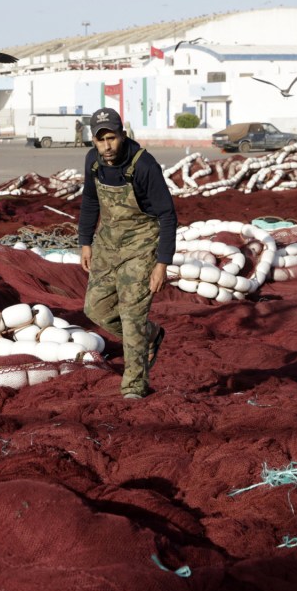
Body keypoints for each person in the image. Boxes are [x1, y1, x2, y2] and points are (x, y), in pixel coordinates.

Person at [78, 107, 177, 400]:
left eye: (112, 138)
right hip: (108, 244)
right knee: (94, 308)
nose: (107, 146)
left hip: (141, 246)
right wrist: (85, 242)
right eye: (100, 140)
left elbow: (168, 216)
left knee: (131, 317)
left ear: (122, 135)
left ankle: (134, 387)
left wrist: (162, 263)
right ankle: (150, 335)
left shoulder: (144, 165)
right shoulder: (93, 163)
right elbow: (89, 201)